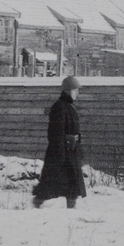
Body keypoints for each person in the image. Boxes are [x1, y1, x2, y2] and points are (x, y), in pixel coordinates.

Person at [32, 76, 87, 209]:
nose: (77, 93)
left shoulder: (70, 107)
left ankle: (71, 210)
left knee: (73, 187)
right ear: (68, 91)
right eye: (75, 90)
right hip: (60, 154)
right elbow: (55, 133)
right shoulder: (59, 107)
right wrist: (61, 152)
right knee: (49, 185)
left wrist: (76, 141)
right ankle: (36, 204)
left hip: (71, 153)